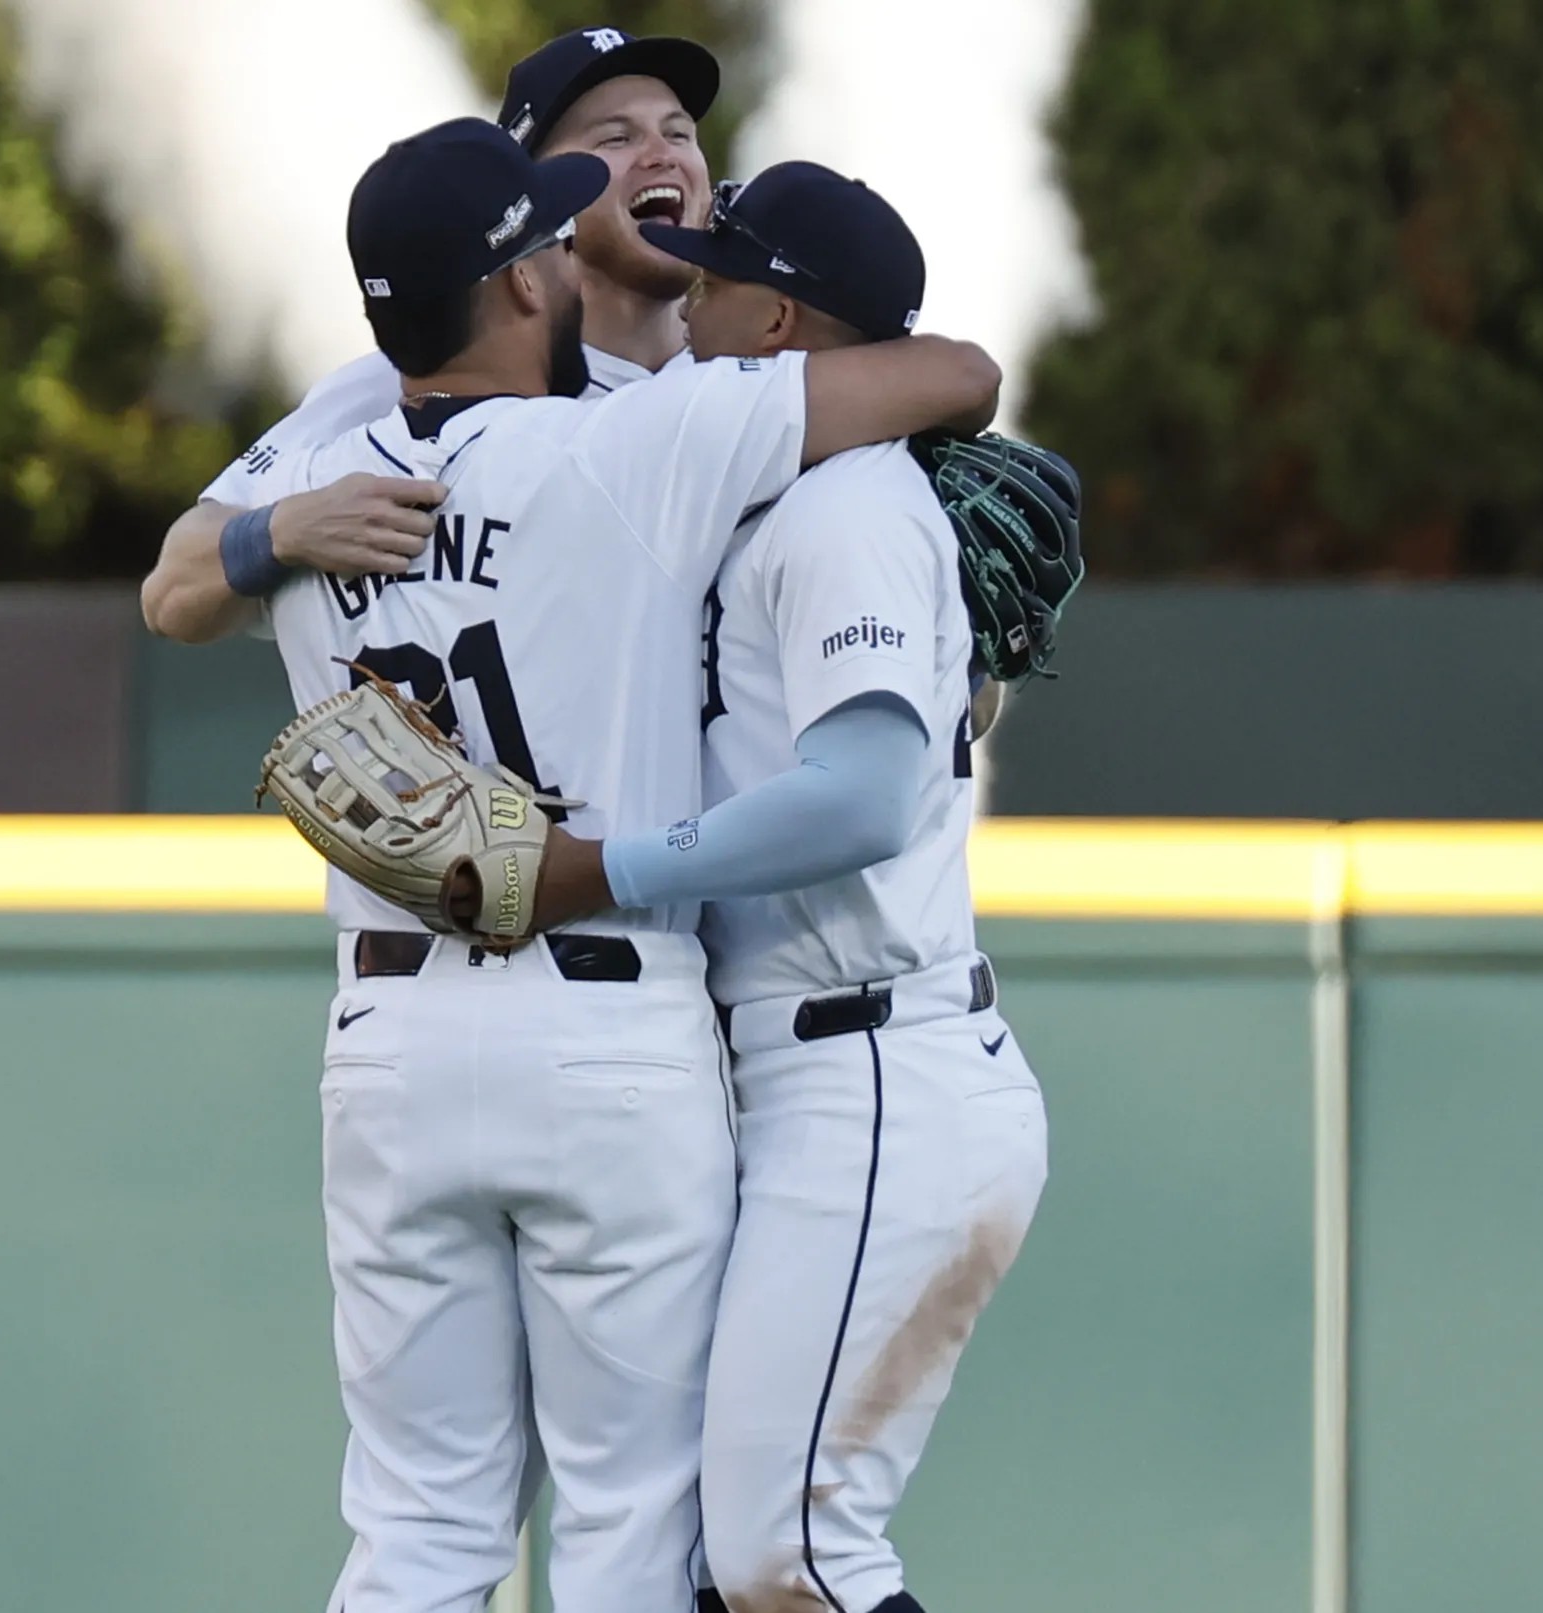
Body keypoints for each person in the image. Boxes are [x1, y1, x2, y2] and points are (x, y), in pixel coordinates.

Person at [219, 116, 1002, 1613]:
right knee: (635, 1534)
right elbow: (954, 372)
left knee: (418, 1537)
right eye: (548, 240)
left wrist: (262, 540)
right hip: (605, 1023)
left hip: (387, 1030)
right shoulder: (630, 449)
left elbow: (181, 576)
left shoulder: (311, 484)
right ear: (521, 285)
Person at [504, 163, 1052, 1613]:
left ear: (780, 322)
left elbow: (865, 798)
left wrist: (602, 873)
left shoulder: (848, 507)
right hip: (805, 1065)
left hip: (875, 1066)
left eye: (721, 272)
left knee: (788, 1556)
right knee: (709, 1558)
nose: (695, 287)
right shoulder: (764, 490)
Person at [142, 27, 725, 646]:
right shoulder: (421, 387)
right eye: (617, 137)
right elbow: (173, 590)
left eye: (679, 131)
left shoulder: (757, 364)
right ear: (528, 198)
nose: (662, 154)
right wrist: (282, 531)